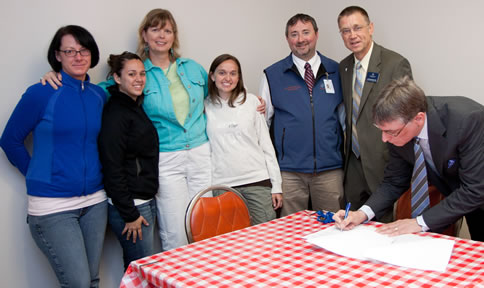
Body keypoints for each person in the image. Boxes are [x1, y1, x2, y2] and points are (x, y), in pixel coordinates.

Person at [0, 25, 107, 287]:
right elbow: (9, 140)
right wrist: (39, 174)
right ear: (57, 56)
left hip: (95, 202)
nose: (78, 56)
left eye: (83, 50)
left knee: (92, 280)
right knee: (79, 283)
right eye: (69, 51)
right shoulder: (41, 92)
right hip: (53, 207)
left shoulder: (99, 95)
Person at [334, 77, 484, 242]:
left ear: (418, 119)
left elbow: (474, 189)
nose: (385, 139)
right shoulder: (398, 131)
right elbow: (394, 181)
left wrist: (419, 223)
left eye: (391, 132)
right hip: (470, 204)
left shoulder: (468, 121)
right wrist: (362, 214)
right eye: (381, 131)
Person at [260, 13, 344, 216]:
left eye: (306, 32)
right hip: (289, 172)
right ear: (287, 38)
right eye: (294, 34)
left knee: (333, 227)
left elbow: (344, 121)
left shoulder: (337, 70)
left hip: (330, 170)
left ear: (316, 34)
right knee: (290, 231)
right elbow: (262, 124)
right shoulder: (272, 75)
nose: (300, 39)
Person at [338, 6, 412, 222]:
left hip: (384, 160)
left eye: (357, 27)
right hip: (353, 164)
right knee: (352, 225)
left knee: (384, 228)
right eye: (345, 31)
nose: (352, 35)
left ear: (370, 28)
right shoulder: (344, 67)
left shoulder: (395, 63)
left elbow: (407, 114)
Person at [205, 54, 283, 225]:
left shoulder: (252, 102)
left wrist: (276, 185)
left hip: (257, 181)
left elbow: (266, 146)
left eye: (233, 73)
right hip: (223, 185)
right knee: (230, 241)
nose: (227, 78)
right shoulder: (205, 107)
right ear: (212, 76)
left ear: (239, 77)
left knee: (266, 236)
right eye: (222, 73)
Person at [98, 52, 159, 269]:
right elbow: (112, 165)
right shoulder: (116, 113)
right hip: (132, 206)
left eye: (142, 74)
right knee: (141, 273)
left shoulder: (134, 106)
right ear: (116, 77)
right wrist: (129, 213)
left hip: (143, 200)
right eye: (131, 74)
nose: (139, 79)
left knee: (140, 272)